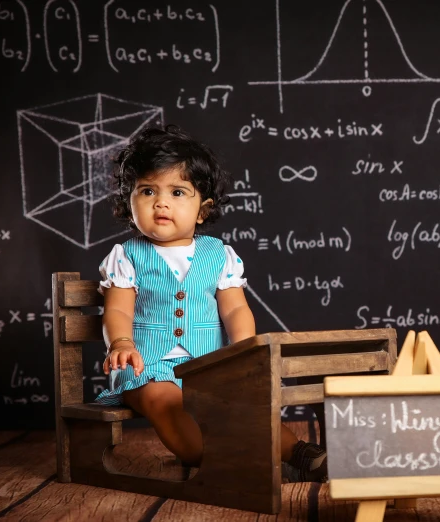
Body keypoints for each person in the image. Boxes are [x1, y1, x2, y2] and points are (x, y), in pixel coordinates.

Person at [95, 124, 326, 482]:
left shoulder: (219, 255)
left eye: (177, 191)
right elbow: (119, 309)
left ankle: (299, 454)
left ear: (202, 211)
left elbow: (235, 308)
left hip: (205, 365)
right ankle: (216, 459)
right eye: (147, 191)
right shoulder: (126, 256)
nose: (161, 202)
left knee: (244, 406)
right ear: (129, 204)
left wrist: (244, 349)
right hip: (146, 367)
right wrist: (122, 342)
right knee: (166, 402)